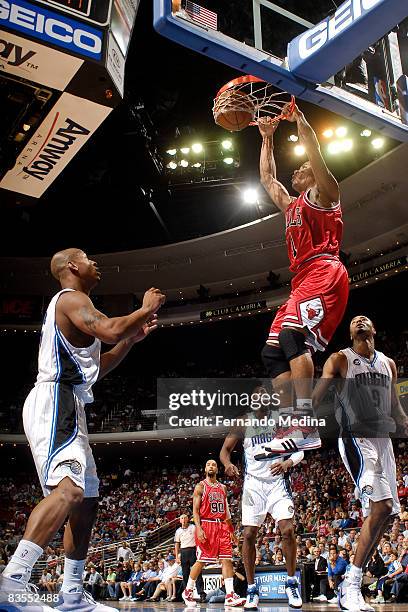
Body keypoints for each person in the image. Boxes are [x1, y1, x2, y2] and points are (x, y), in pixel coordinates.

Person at [0, 248, 165, 612]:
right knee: (71, 491)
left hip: (70, 401)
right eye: (88, 257)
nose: (96, 263)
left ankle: (71, 594)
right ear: (72, 266)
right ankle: (12, 580)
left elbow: (97, 367)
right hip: (54, 400)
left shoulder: (77, 308)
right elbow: (107, 329)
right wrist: (144, 308)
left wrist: (130, 340)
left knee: (86, 502)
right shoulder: (70, 299)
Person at [257, 108, 349, 456]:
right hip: (303, 279)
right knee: (272, 351)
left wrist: (299, 120)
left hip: (325, 271)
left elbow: (314, 151)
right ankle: (290, 422)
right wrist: (266, 137)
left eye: (303, 167)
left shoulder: (327, 196)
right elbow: (267, 179)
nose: (297, 169)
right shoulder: (292, 205)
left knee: (293, 334)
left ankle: (305, 420)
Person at [314, 315, 408, 611]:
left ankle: (349, 584)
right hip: (356, 437)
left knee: (386, 513)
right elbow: (316, 396)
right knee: (379, 507)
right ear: (350, 331)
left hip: (384, 441)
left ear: (374, 329)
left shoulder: (388, 364)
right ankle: (351, 585)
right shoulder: (341, 359)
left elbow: (396, 409)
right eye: (354, 320)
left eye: (365, 319)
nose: (360, 320)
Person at [220, 398, 303, 610]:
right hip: (253, 485)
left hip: (277, 484)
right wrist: (228, 464)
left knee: (288, 530)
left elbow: (300, 449)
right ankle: (251, 589)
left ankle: (291, 583)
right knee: (248, 535)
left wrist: (287, 462)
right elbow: (224, 451)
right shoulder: (243, 423)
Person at [181, 459, 245, 607]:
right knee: (202, 560)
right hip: (207, 524)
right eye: (208, 464)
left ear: (217, 469)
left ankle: (230, 595)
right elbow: (195, 511)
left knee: (227, 559)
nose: (211, 466)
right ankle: (188, 591)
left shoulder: (223, 488)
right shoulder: (200, 487)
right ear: (205, 469)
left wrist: (232, 531)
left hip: (221, 526)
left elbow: (226, 511)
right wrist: (199, 528)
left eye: (214, 465)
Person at [174, 513, 205, 602]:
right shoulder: (178, 531)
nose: (183, 520)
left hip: (193, 550)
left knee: (198, 573)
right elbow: (176, 544)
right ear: (180, 521)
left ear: (188, 519)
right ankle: (186, 595)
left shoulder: (193, 527)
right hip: (183, 552)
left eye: (185, 518)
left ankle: (201, 593)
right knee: (185, 574)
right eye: (181, 518)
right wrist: (177, 556)